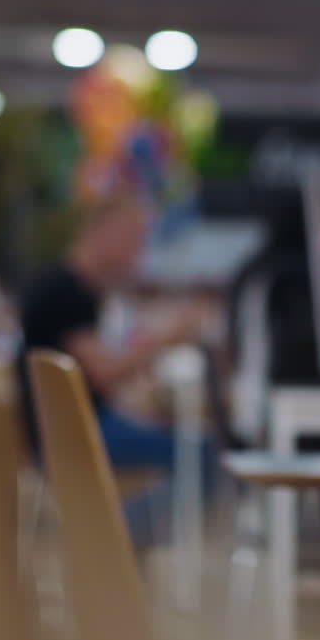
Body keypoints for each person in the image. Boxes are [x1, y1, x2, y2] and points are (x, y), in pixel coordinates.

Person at [17, 195, 214, 487]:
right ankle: (116, 529)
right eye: (134, 240)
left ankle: (126, 526)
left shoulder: (73, 288)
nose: (138, 253)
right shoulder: (65, 291)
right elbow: (104, 372)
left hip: (70, 430)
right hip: (74, 435)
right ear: (106, 233)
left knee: (186, 443)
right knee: (202, 454)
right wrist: (165, 339)